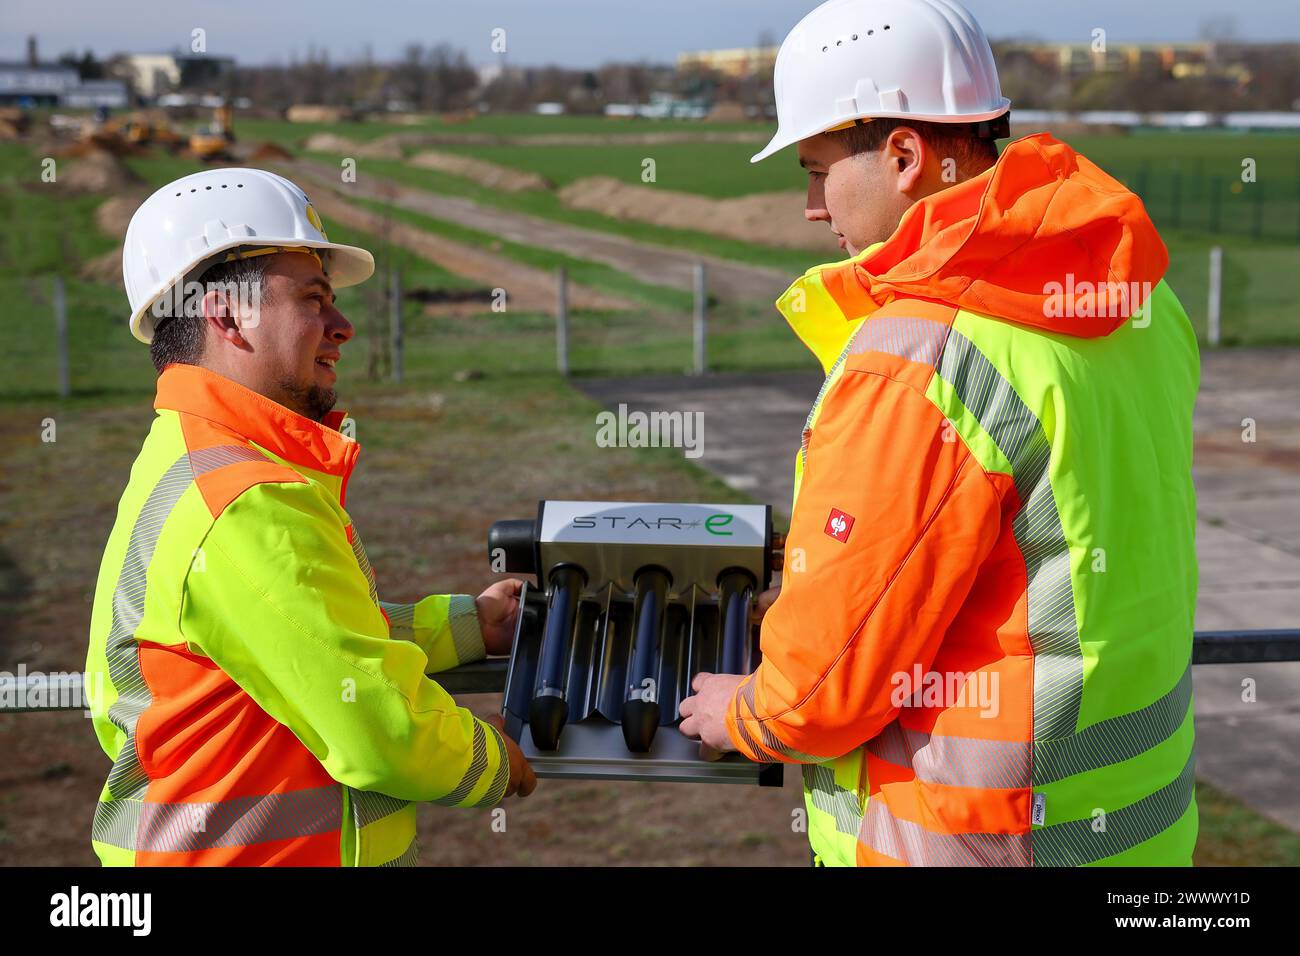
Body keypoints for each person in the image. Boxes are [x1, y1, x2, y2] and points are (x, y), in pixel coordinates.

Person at [679, 0, 1199, 866]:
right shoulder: (1137, 299)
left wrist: (743, 711)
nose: (812, 205)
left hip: (979, 843)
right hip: (1139, 835)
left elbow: (828, 685)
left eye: (816, 170)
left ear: (906, 155)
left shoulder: (919, 357)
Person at [85, 167, 535, 867]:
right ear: (228, 314)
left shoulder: (187, 454)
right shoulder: (247, 498)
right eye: (314, 299)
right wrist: (499, 759)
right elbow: (377, 730)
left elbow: (302, 636)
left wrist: (468, 625)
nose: (343, 326)